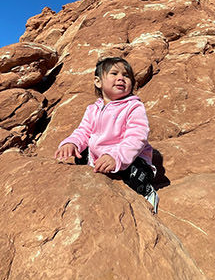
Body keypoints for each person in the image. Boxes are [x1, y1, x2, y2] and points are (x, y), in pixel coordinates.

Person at [54, 57, 159, 212]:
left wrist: (116, 157)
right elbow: (83, 131)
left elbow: (137, 137)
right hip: (99, 159)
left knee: (133, 173)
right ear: (98, 82)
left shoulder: (133, 106)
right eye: (114, 73)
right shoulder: (92, 109)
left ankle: (147, 190)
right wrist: (72, 143)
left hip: (128, 158)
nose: (121, 78)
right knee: (79, 155)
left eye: (126, 75)